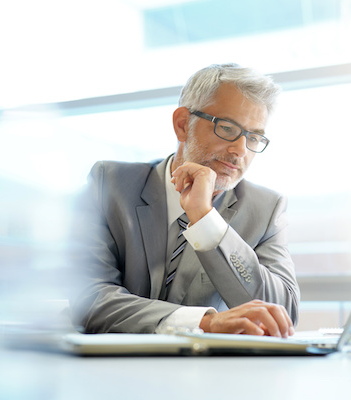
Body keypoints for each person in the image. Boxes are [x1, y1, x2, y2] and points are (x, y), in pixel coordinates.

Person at [70, 63, 299, 338]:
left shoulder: (265, 209)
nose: (240, 150)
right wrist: (204, 322)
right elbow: (88, 296)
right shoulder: (110, 184)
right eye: (227, 128)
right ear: (182, 125)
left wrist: (206, 221)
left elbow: (282, 313)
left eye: (254, 137)